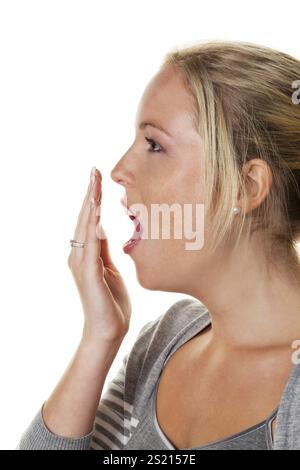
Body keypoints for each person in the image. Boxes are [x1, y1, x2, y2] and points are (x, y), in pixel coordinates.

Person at [17, 40, 300, 450]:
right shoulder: (166, 341)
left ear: (246, 186)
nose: (119, 170)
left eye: (155, 145)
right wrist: (99, 337)